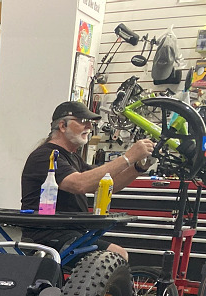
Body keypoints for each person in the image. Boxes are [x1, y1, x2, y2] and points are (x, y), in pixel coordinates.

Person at [20, 101, 154, 259]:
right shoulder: (46, 156)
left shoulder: (73, 157)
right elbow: (80, 184)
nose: (89, 127)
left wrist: (138, 167)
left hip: (71, 232)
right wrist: (128, 157)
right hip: (49, 235)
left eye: (91, 122)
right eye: (83, 121)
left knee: (117, 255)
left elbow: (108, 183)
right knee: (116, 255)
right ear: (63, 126)